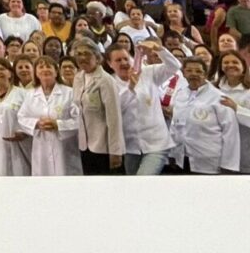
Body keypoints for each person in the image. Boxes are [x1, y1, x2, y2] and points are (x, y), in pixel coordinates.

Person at [107, 38, 181, 175]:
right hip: (130, 146)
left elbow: (174, 66)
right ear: (110, 64)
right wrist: (130, 88)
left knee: (143, 181)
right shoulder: (109, 83)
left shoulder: (148, 72)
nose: (123, 63)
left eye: (125, 58)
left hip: (156, 144)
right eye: (118, 60)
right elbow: (115, 109)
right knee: (134, 188)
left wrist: (159, 49)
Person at [169, 56, 240, 174]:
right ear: (183, 73)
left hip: (209, 161)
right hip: (182, 159)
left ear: (205, 74)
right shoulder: (180, 95)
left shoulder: (218, 97)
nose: (194, 74)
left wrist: (228, 164)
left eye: (198, 71)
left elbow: (230, 132)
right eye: (189, 71)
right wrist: (172, 153)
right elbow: (175, 126)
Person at [17, 56, 81, 175]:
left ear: (56, 72)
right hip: (41, 147)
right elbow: (21, 117)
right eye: (41, 67)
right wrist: (36, 123)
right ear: (36, 73)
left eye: (49, 66)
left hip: (64, 147)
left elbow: (79, 120)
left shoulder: (69, 93)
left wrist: (58, 124)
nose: (45, 69)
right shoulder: (30, 95)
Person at [71, 38, 125, 174]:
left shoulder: (106, 80)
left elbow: (114, 119)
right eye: (79, 54)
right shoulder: (78, 78)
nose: (83, 57)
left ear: (97, 57)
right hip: (85, 146)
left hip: (103, 146)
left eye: (87, 54)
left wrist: (115, 150)